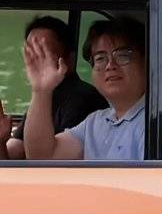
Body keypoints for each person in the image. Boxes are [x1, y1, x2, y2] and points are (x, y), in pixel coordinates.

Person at [0, 16, 107, 159]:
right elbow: (12, 155)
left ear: (69, 59)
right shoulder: (44, 97)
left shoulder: (83, 99)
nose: (35, 59)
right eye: (31, 52)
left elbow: (46, 161)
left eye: (43, 52)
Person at [22, 17, 147, 160]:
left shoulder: (156, 123)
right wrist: (41, 90)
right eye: (100, 58)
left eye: (122, 56)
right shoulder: (95, 122)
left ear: (146, 62)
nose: (110, 65)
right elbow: (42, 157)